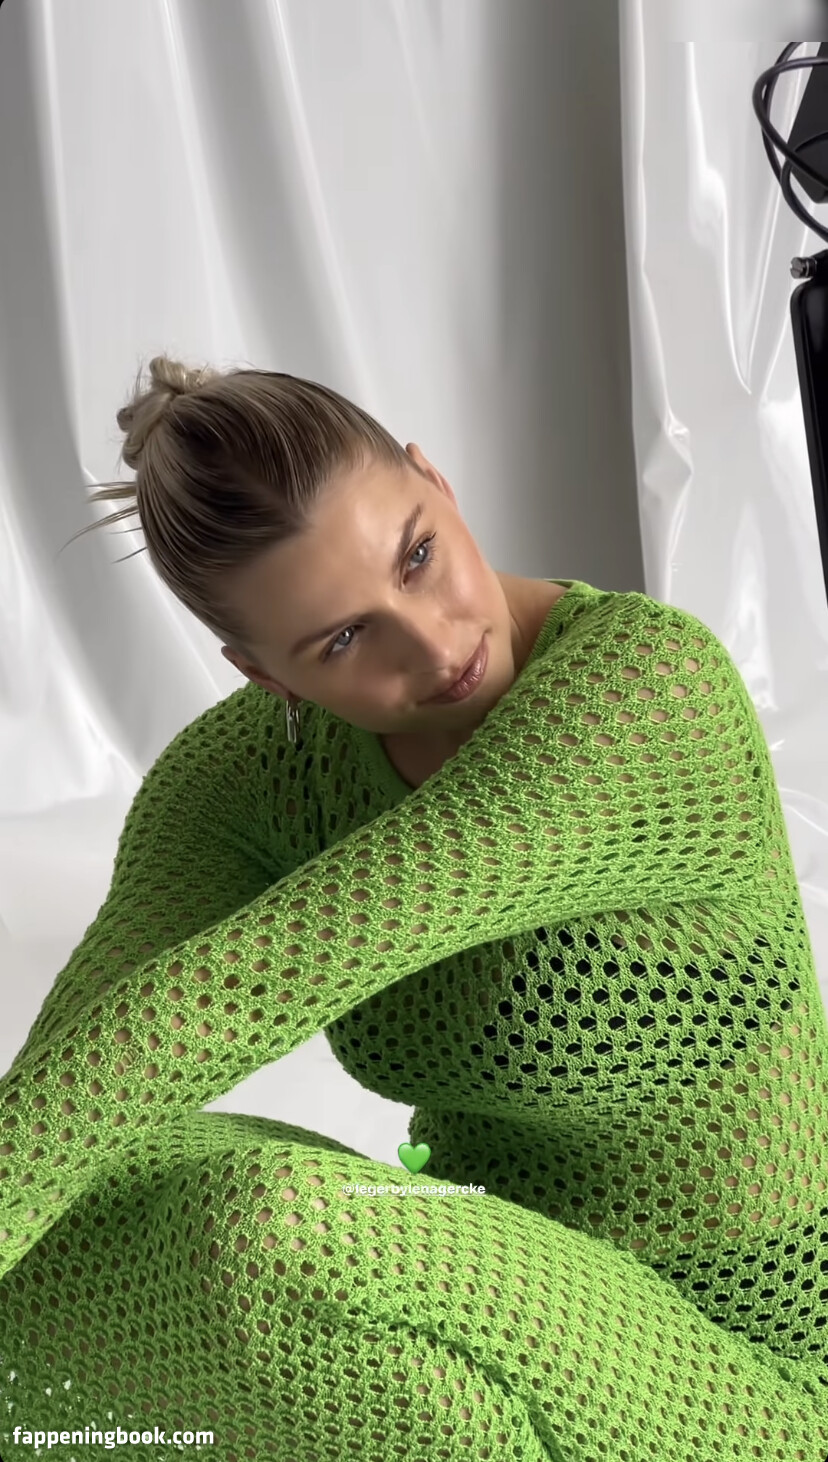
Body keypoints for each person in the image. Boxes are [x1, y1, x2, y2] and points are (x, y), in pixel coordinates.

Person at [0, 357, 826, 1461]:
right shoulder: (246, 780)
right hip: (495, 1275)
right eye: (344, 640)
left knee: (279, 1236)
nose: (435, 647)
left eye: (419, 556)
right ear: (264, 675)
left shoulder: (644, 689)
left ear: (434, 479)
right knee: (99, 1193)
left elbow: (253, 977)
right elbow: (87, 1054)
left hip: (749, 1360)